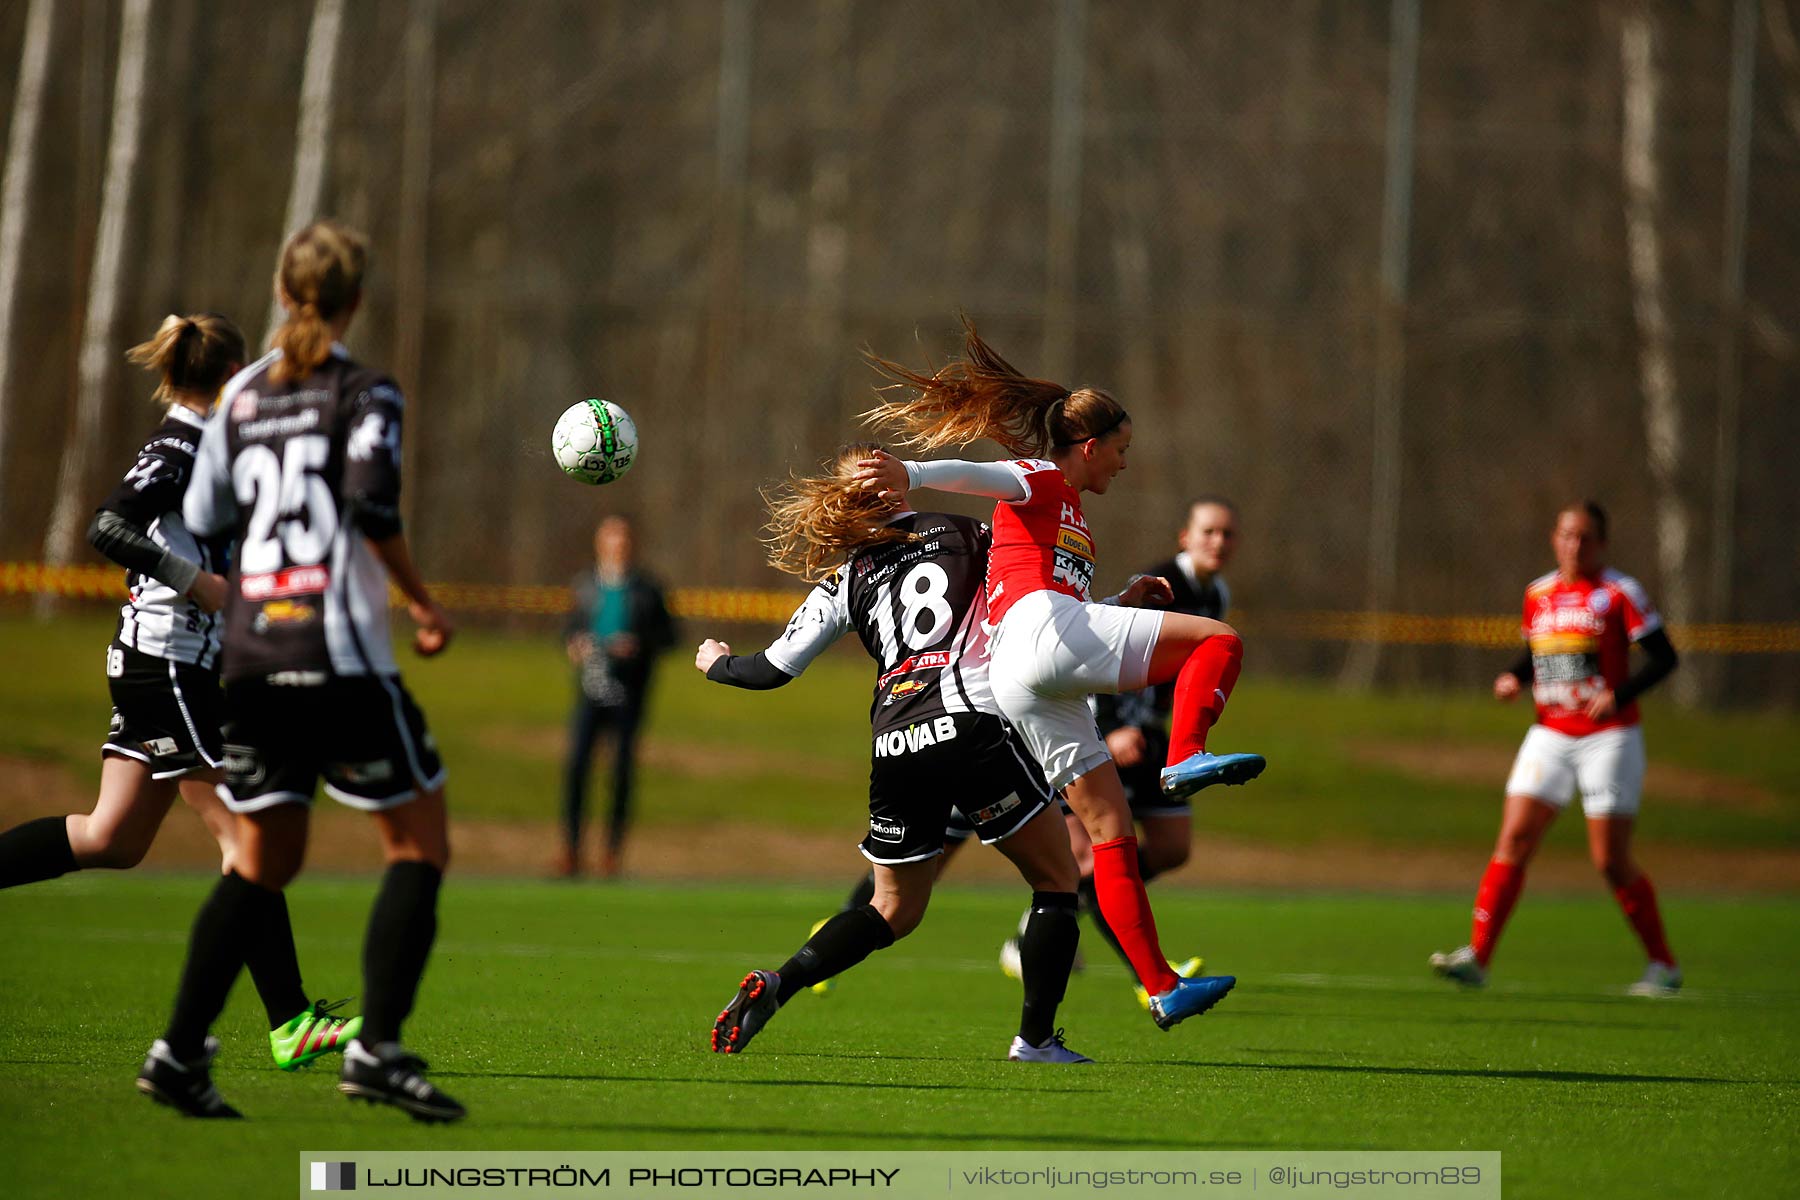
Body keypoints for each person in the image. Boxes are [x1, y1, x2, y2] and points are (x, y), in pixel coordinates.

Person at [135, 221, 464, 1121]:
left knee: (265, 859)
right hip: (339, 654)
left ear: (283, 294)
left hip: (251, 657)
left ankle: (177, 1053)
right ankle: (380, 1049)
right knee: (420, 842)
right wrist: (424, 604)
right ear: (355, 301)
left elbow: (206, 510)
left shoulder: (237, 397)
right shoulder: (366, 391)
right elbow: (369, 505)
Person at [855, 317, 1265, 1030]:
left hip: (1030, 667)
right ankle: (1186, 758)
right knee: (1219, 643)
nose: (1124, 464)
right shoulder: (1044, 477)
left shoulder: (1071, 516)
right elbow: (987, 477)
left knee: (1111, 827)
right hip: (1037, 645)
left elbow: (1052, 617)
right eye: (1121, 450)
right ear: (1089, 445)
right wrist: (911, 475)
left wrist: (1117, 604)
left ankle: (1162, 986)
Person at [0, 312, 358, 1072]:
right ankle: (290, 1019)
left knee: (113, 838)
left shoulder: (209, 448)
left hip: (164, 663)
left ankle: (288, 1019)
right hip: (165, 664)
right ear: (227, 378)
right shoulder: (180, 447)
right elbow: (107, 526)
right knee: (249, 835)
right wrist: (199, 586)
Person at [698, 443, 1091, 1063]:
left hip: (896, 741)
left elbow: (771, 669)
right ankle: (1036, 1040)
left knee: (891, 909)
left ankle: (781, 982)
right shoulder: (969, 534)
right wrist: (1122, 606)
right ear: (898, 486)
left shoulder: (846, 577)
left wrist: (716, 663)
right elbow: (1045, 607)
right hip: (972, 725)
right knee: (1056, 878)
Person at [1432, 502, 1681, 995]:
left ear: (1601, 544)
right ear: (1554, 538)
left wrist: (1618, 695)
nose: (1575, 545)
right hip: (1549, 732)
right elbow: (1538, 654)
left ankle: (1662, 965)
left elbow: (1664, 657)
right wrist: (1513, 677)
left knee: (1609, 858)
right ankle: (1477, 956)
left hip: (1609, 737)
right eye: (1567, 535)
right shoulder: (1539, 594)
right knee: (1515, 838)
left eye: (1585, 537)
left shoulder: (1618, 593)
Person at [1001, 497, 1239, 1005]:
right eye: (1209, 531)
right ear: (1185, 536)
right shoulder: (1158, 584)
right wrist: (1109, 727)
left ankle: (1073, 925)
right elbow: (1090, 649)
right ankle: (1139, 972)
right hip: (1100, 724)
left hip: (1150, 734)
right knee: (1092, 852)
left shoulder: (1216, 593)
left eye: (1227, 534)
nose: (1218, 542)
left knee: (1172, 846)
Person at [557, 515, 675, 878]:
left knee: (621, 772)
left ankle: (611, 854)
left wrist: (636, 648)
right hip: (590, 690)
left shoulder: (648, 589)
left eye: (622, 540)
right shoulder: (585, 586)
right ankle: (571, 851)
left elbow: (669, 637)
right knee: (577, 767)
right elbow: (568, 631)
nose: (617, 546)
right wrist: (575, 645)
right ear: (599, 544)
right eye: (610, 539)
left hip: (629, 694)